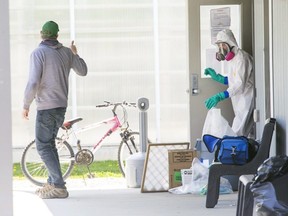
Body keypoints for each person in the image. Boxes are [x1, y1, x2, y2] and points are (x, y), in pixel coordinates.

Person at [22, 21, 88, 199]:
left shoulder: (38, 53)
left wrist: (26, 104)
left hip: (46, 106)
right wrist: (75, 53)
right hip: (60, 106)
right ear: (57, 35)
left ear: (41, 34)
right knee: (50, 144)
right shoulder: (66, 52)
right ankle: (52, 183)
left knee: (43, 146)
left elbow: (34, 82)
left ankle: (58, 186)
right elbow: (82, 71)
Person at [204, 29, 254, 137]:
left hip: (247, 97)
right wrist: (217, 77)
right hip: (240, 99)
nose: (220, 49)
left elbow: (239, 85)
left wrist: (221, 96)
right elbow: (233, 79)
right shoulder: (233, 59)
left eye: (222, 46)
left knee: (238, 133)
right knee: (244, 132)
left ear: (230, 43)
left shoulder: (242, 58)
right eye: (219, 46)